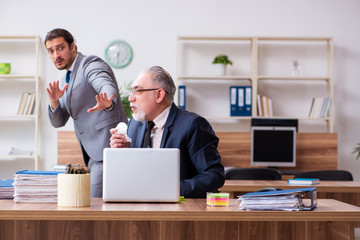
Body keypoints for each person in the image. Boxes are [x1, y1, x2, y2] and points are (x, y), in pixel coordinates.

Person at [109, 66, 225, 198]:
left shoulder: (193, 125)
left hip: (181, 210)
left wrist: (169, 190)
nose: (130, 98)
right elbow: (135, 175)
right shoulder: (134, 124)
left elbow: (214, 176)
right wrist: (124, 154)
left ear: (159, 95)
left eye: (138, 91)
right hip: (140, 205)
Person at [45, 28, 128, 197]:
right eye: (51, 51)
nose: (56, 55)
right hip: (92, 156)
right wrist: (54, 102)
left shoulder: (90, 64)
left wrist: (108, 100)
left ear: (73, 47)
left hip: (107, 151)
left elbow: (104, 83)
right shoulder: (65, 80)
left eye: (60, 48)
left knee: (95, 209)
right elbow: (58, 122)